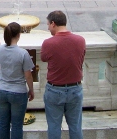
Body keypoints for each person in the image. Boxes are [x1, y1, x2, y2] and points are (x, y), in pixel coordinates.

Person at [41, 10, 86, 139]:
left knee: (54, 126)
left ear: (53, 23)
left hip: (54, 90)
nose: (48, 27)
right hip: (75, 89)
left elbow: (44, 58)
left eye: (48, 24)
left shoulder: (48, 43)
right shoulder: (80, 40)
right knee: (76, 126)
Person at [0, 22, 34, 139]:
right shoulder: (23, 53)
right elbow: (28, 75)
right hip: (18, 92)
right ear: (18, 35)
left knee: (3, 123)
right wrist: (31, 90)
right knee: (16, 125)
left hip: (1, 90)